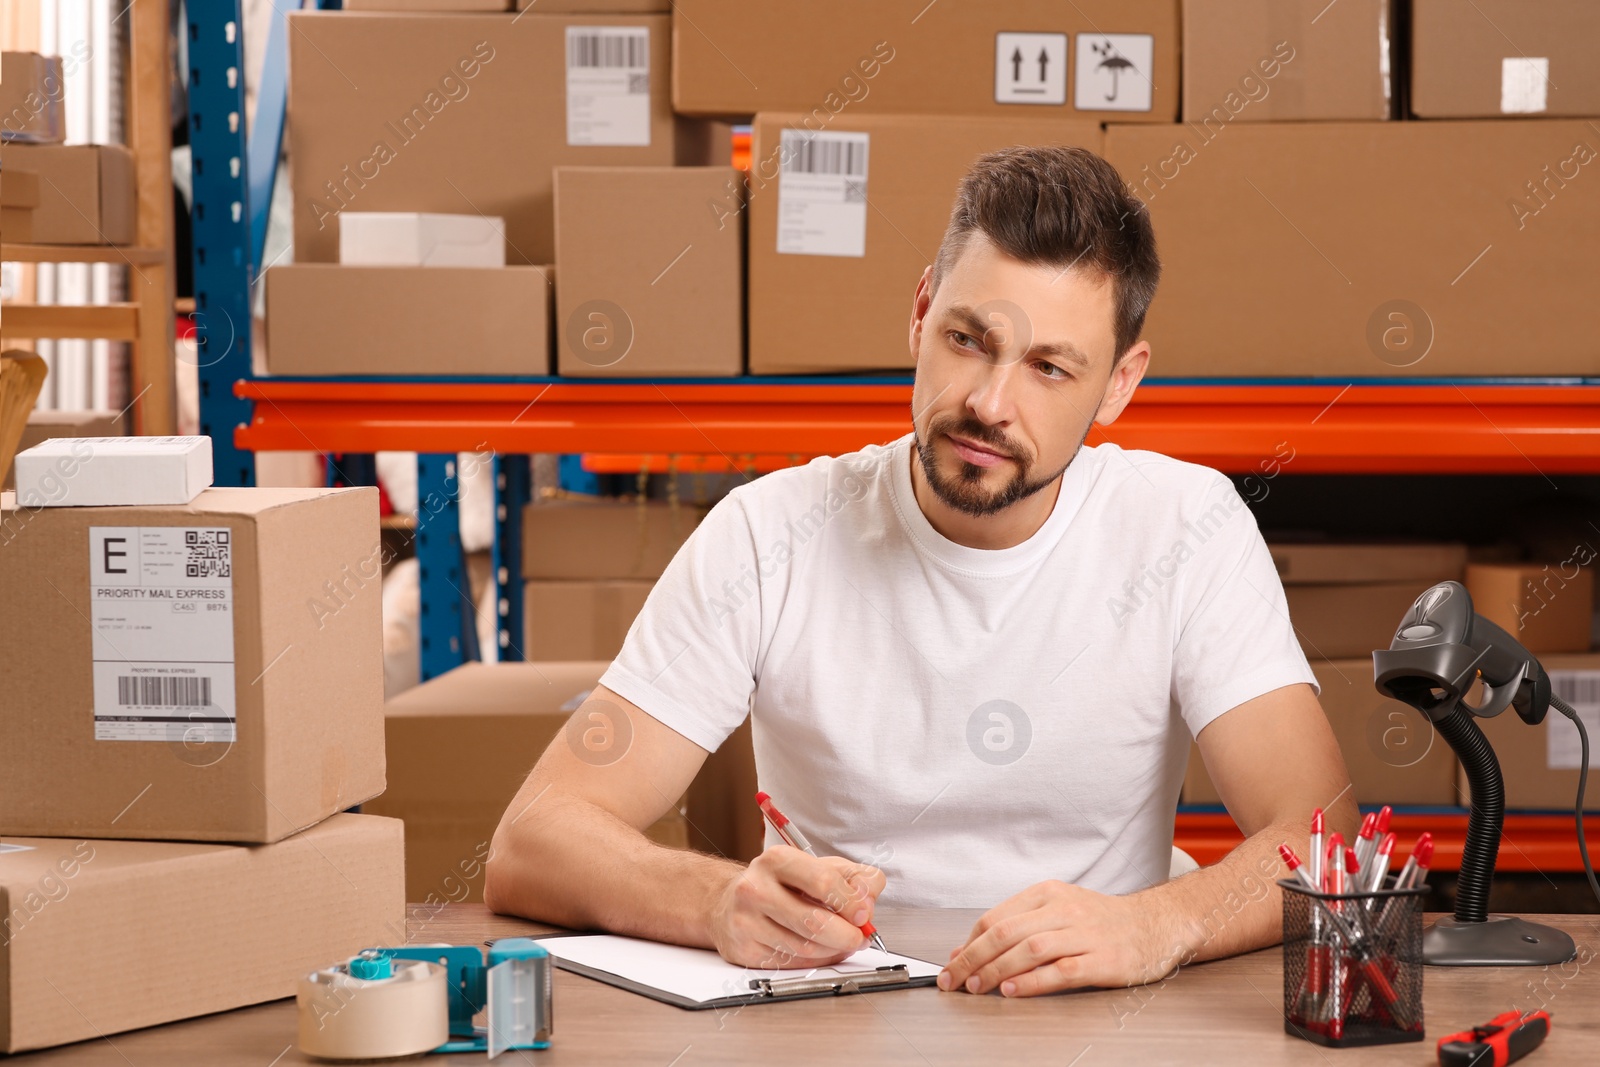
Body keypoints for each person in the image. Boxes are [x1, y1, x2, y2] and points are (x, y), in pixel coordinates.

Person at [484, 144, 1357, 998]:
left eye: (1050, 368)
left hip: (1091, 1016)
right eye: (969, 339)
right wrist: (713, 896)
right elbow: (531, 841)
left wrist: (1154, 924)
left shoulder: (1185, 528)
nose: (989, 402)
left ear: (1121, 384)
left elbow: (1325, 839)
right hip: (835, 1011)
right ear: (920, 310)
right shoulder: (767, 533)